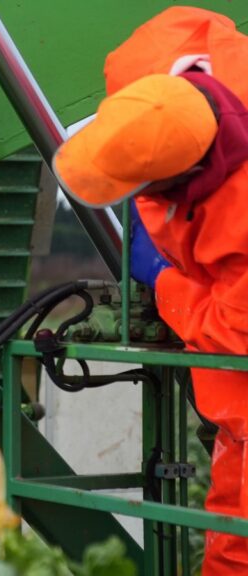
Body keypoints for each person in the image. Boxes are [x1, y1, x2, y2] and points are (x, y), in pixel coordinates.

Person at [53, 54, 248, 576]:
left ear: (185, 176)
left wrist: (164, 281)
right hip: (238, 423)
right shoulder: (162, 88)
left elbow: (234, 329)